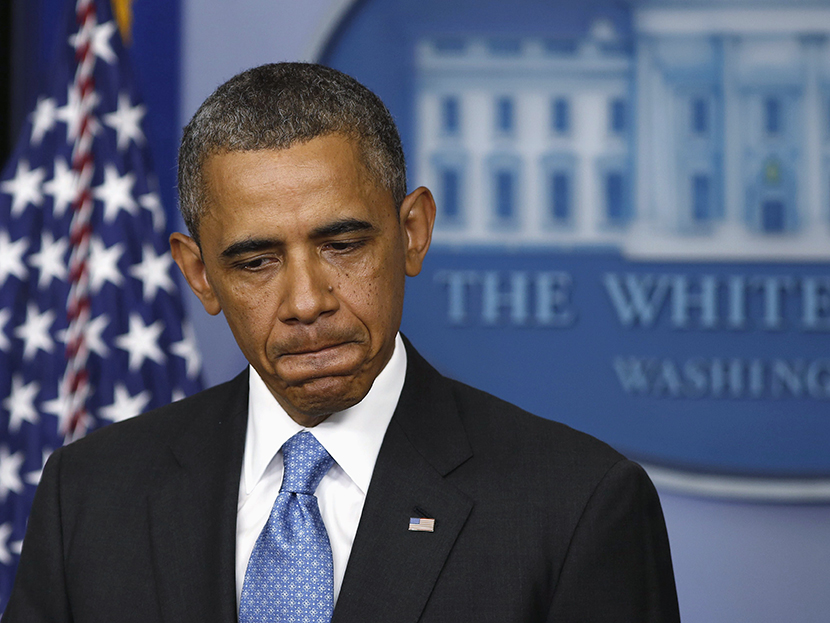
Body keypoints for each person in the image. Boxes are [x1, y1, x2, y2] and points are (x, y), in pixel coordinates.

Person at [3, 63, 680, 622]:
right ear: (199, 275)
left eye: (343, 244)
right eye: (255, 261)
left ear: (413, 231)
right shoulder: (88, 495)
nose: (306, 302)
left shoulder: (577, 503)